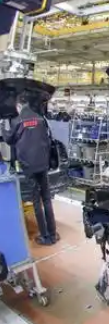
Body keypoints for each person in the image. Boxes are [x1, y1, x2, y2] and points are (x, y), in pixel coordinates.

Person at [2, 92, 58, 245]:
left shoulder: (18, 121)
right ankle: (53, 234)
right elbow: (48, 139)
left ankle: (45, 236)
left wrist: (2, 126)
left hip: (29, 167)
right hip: (43, 165)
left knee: (36, 201)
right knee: (47, 199)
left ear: (18, 106)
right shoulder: (40, 118)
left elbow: (9, 140)